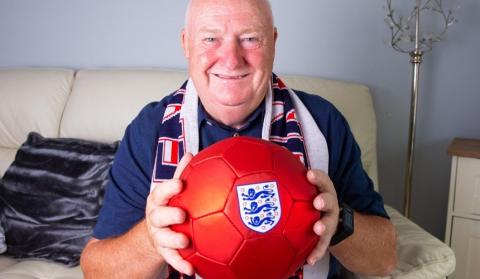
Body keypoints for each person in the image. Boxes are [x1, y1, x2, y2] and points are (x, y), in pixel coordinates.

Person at [80, 0, 397, 278]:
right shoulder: (150, 129)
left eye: (249, 38)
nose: (231, 59)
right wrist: (150, 239)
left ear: (273, 41)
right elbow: (97, 270)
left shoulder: (321, 122)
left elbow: (384, 261)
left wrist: (339, 220)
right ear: (186, 43)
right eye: (210, 38)